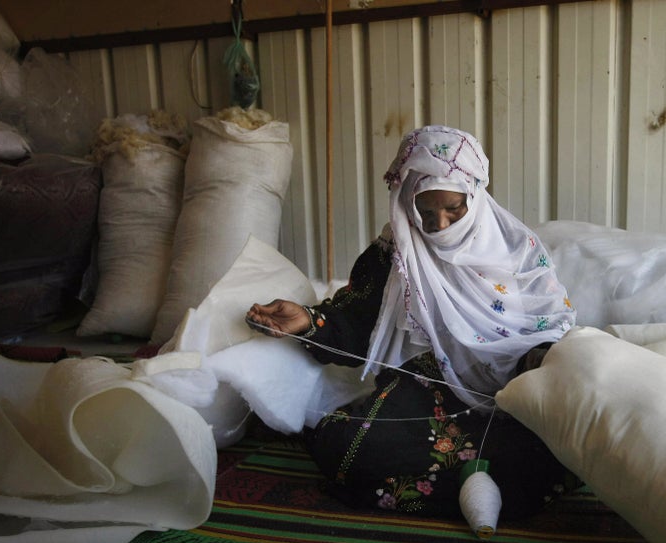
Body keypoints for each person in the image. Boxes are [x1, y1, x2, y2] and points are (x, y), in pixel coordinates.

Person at [246, 125, 577, 519]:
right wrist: (310, 322)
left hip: (513, 389)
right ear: (406, 203)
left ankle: (478, 483)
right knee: (351, 452)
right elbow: (356, 323)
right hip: (429, 386)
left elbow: (551, 322)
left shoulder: (518, 250)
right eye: (425, 210)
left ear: (475, 195)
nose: (438, 224)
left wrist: (539, 359)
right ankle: (477, 486)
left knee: (563, 449)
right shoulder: (395, 254)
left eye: (454, 208)